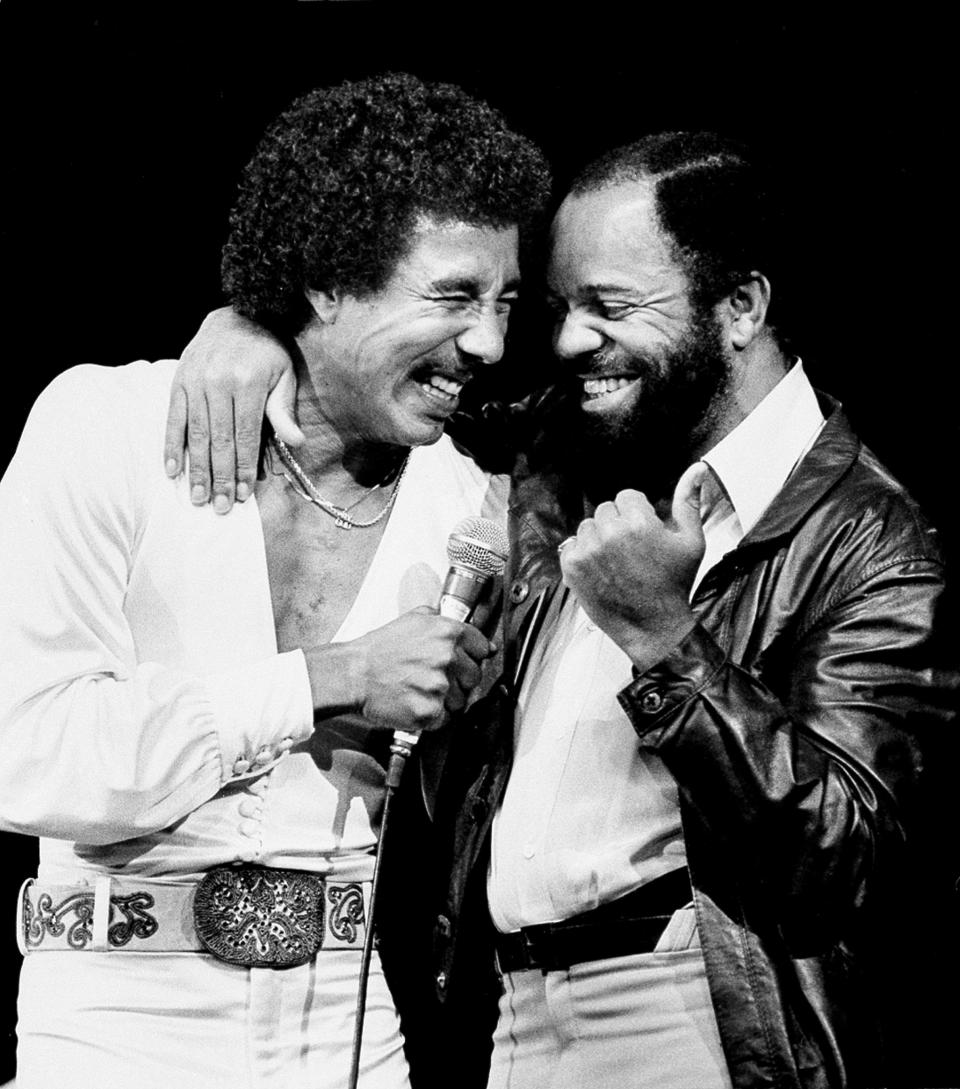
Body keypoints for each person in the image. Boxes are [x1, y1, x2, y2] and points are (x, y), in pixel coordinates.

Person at [161, 133, 957, 1088]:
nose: (572, 339)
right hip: (515, 1012)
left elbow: (846, 860)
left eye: (611, 307)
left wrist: (668, 642)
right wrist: (253, 332)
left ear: (740, 308)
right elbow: (389, 390)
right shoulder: (567, 438)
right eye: (564, 307)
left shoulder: (872, 537)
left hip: (692, 1015)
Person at [0, 72, 551, 1089]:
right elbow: (37, 761)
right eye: (452, 297)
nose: (489, 343)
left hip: (353, 1030)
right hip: (115, 1024)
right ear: (328, 282)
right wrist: (328, 678)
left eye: (505, 300)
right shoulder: (106, 431)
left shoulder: (474, 508)